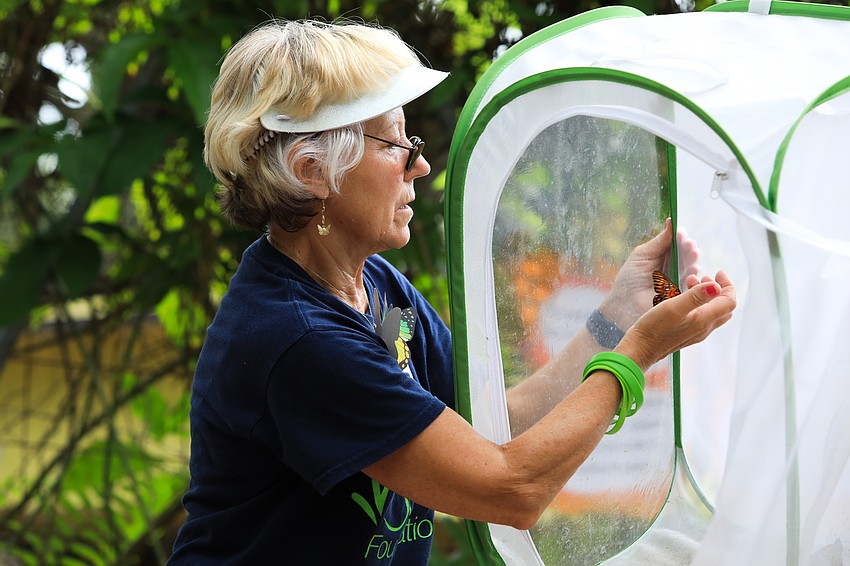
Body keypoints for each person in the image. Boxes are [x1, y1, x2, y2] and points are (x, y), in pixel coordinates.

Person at [168, 19, 736, 564]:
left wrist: (618, 316)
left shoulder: (375, 287)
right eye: (393, 142)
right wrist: (635, 355)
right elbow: (511, 489)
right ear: (314, 171)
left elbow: (491, 425)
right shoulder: (296, 337)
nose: (419, 165)